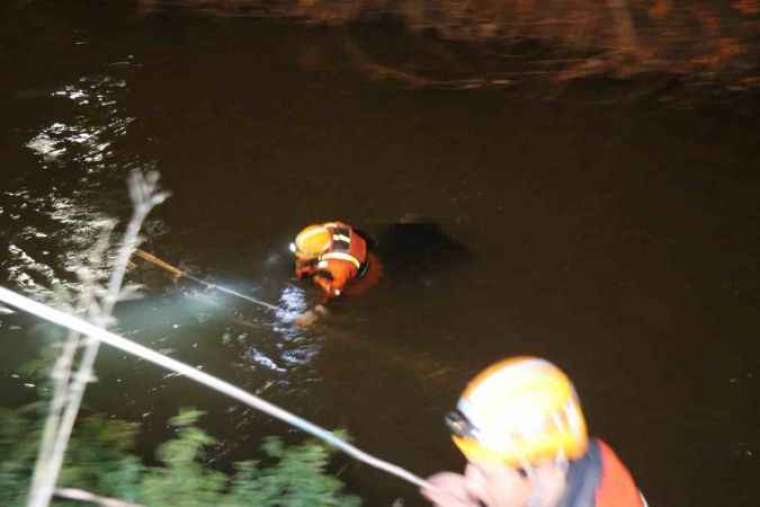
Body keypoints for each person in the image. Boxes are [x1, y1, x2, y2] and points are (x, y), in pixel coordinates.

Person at [421, 357, 647, 507]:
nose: (470, 483)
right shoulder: (588, 467)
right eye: (472, 465)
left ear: (541, 475)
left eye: (486, 474)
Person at [290, 221, 374, 299]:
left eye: (304, 253)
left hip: (362, 272)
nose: (299, 255)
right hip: (356, 246)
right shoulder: (328, 229)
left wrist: (320, 280)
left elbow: (335, 291)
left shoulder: (339, 267)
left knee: (345, 292)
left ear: (321, 252)